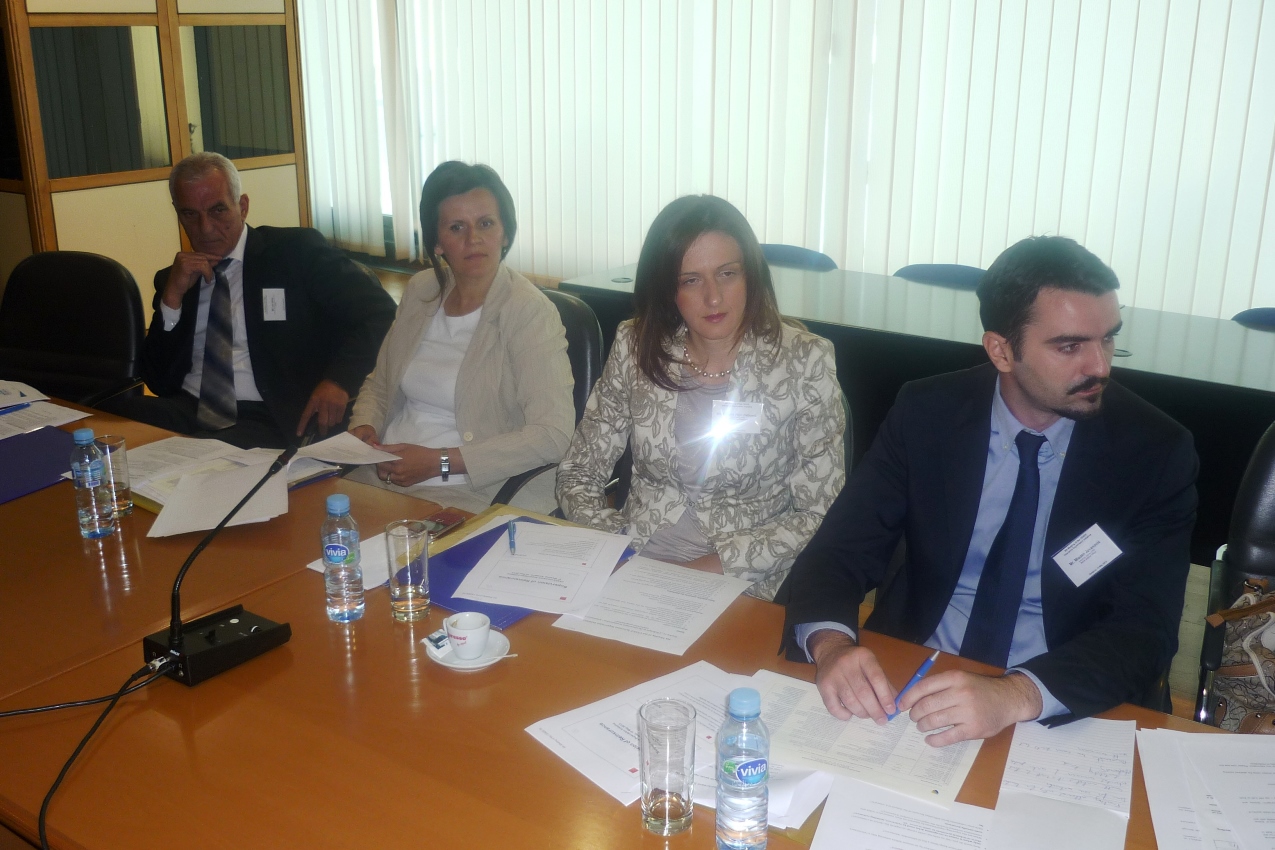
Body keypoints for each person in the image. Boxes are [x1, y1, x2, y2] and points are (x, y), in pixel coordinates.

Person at [781, 235, 1199, 746]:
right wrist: (831, 646)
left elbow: (1145, 630)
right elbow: (841, 551)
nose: (1100, 366)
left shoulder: (1154, 452)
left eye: (1108, 339)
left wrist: (1015, 694)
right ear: (1001, 350)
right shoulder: (927, 413)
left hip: (1060, 701)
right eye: (1070, 346)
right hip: (915, 678)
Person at [556, 195, 846, 601]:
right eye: (690, 280)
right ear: (667, 290)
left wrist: (699, 572)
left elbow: (820, 512)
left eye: (727, 273)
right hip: (633, 564)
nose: (713, 297)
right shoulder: (635, 345)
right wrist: (615, 547)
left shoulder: (805, 361)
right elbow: (578, 472)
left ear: (751, 276)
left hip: (742, 582)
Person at [111, 152, 397, 449]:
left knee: (203, 453)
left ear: (243, 206)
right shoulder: (175, 279)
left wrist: (339, 381)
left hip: (268, 415)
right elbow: (158, 381)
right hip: (188, 408)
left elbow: (381, 313)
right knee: (110, 426)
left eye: (217, 210)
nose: (205, 228)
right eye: (190, 214)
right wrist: (172, 300)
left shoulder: (294, 253)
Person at [347, 161, 574, 513]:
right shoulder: (422, 291)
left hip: (474, 490)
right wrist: (365, 424)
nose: (473, 239)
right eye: (457, 227)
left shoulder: (529, 312)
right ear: (438, 243)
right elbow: (380, 384)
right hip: (384, 474)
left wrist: (439, 462)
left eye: (486, 223)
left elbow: (552, 434)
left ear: (506, 233)